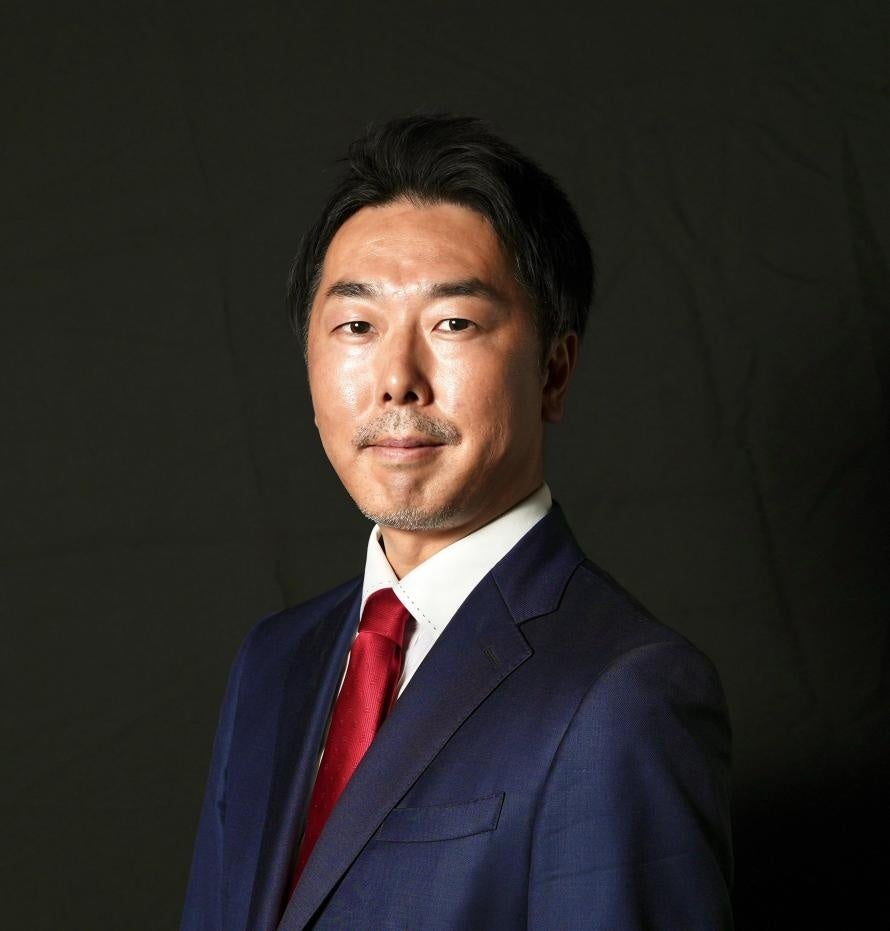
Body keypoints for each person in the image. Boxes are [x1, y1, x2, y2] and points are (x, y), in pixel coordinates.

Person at [181, 114, 733, 931]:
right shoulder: (273, 660)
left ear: (554, 372)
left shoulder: (624, 692)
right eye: (357, 326)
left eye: (453, 323)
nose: (397, 380)